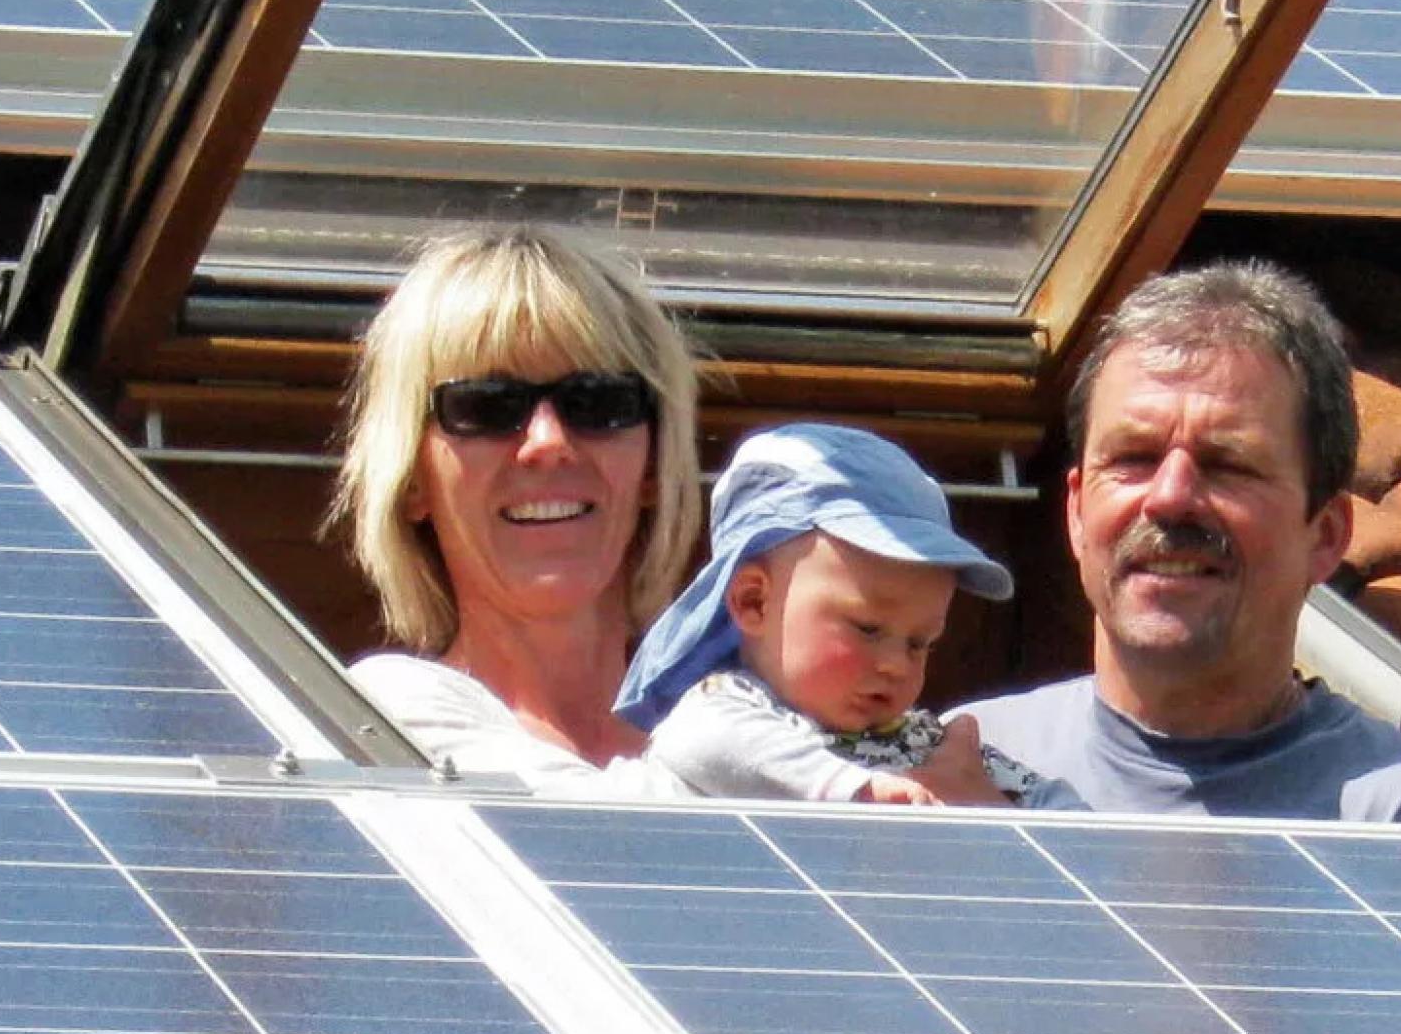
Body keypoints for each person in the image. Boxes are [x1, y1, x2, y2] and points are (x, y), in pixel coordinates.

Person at [955, 261, 1401, 823]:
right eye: (1133, 459)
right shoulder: (960, 770)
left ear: (1327, 534)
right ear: (1075, 512)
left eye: (1226, 463)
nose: (1169, 498)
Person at [328, 226, 710, 797]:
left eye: (598, 401)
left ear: (654, 462)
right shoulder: (388, 725)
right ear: (411, 479)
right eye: (485, 405)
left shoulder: (743, 730)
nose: (548, 441)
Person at [613, 423, 1069, 807]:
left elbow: (1057, 807)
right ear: (754, 601)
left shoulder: (924, 744)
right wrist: (856, 789)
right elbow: (698, 743)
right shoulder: (727, 708)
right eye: (868, 628)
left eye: (919, 643)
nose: (896, 665)